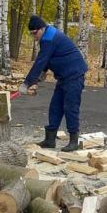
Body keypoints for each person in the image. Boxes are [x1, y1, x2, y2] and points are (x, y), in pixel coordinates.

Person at [19, 15, 88, 151]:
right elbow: (47, 57)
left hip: (73, 75)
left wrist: (26, 83)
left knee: (70, 107)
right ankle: (50, 140)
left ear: (41, 28)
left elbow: (40, 61)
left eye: (35, 33)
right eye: (32, 34)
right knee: (55, 107)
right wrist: (43, 73)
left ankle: (74, 141)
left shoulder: (49, 39)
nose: (34, 37)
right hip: (63, 77)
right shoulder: (48, 35)